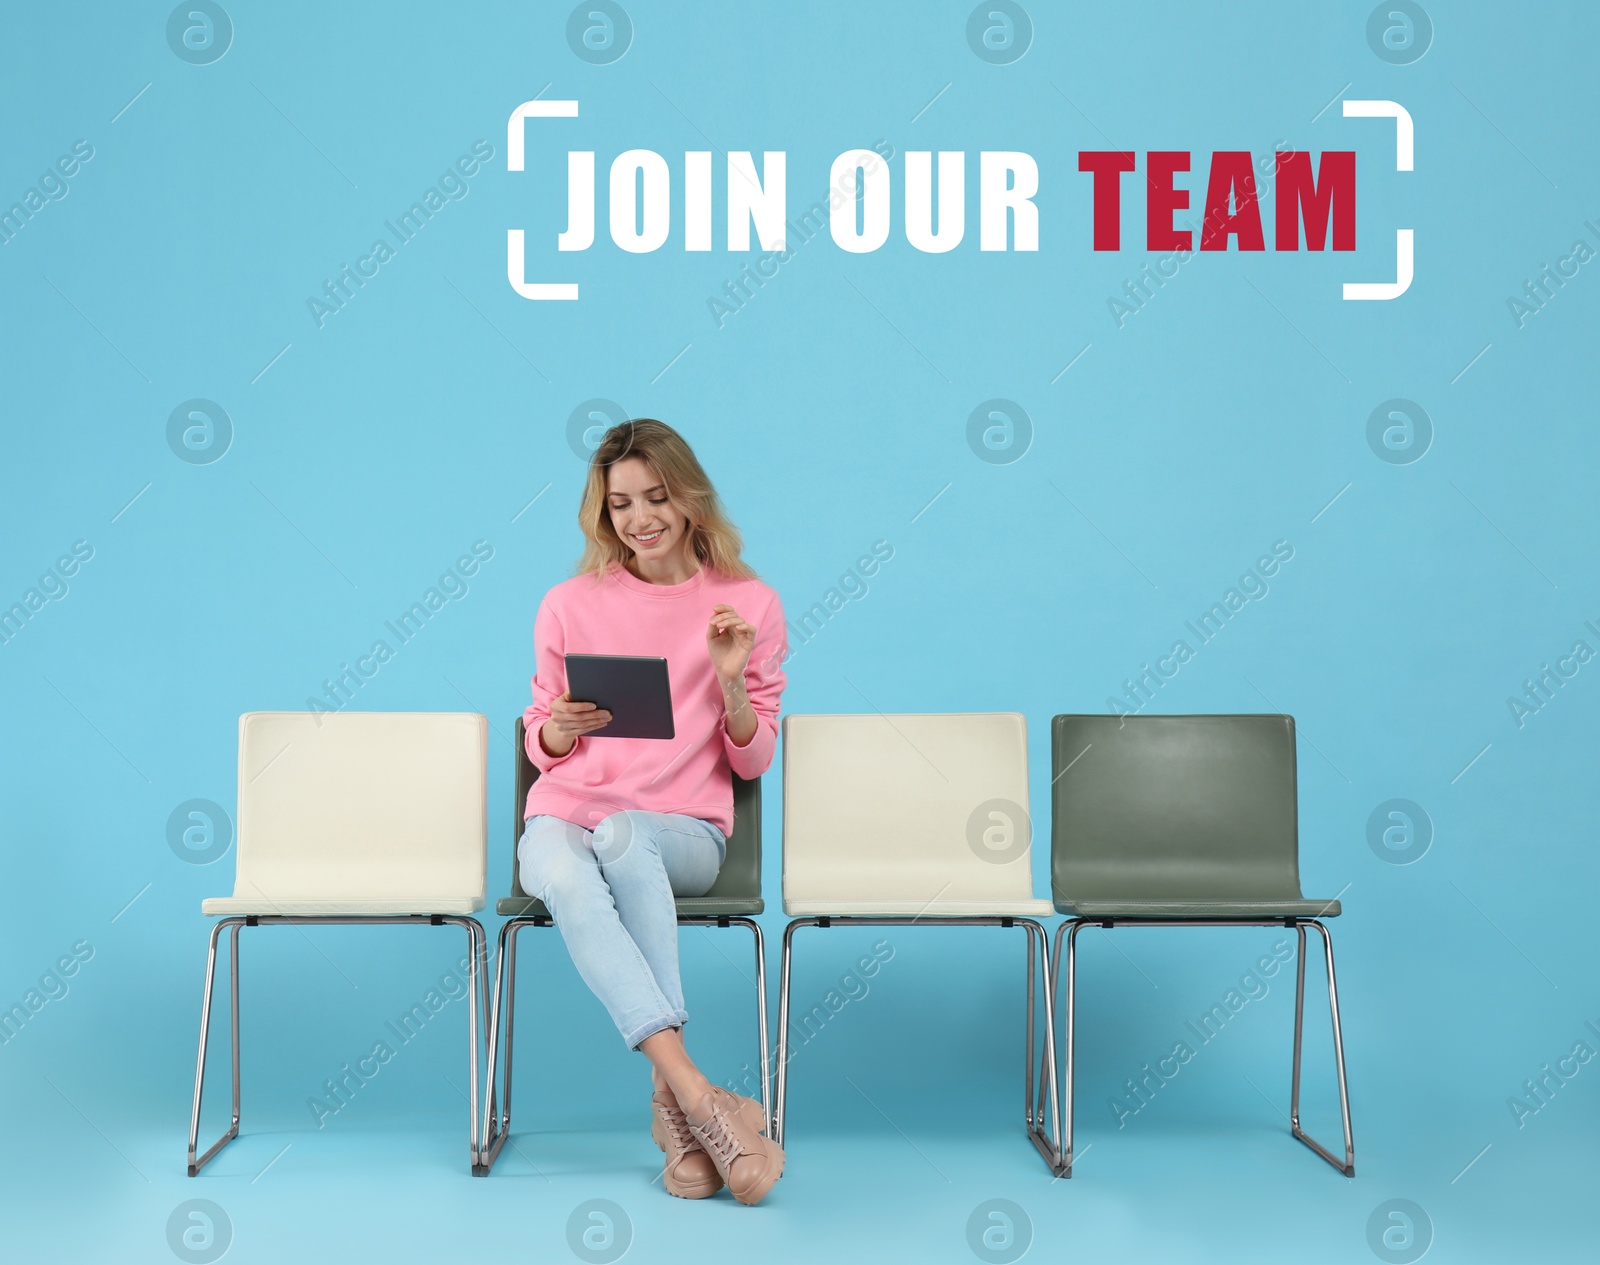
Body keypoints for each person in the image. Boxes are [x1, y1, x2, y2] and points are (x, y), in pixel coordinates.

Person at [519, 418, 788, 1205]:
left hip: (682, 829)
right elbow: (541, 738)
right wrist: (556, 729)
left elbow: (752, 757)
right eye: (621, 503)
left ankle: (680, 1106)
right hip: (567, 813)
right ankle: (696, 1101)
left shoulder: (748, 603)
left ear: (689, 498)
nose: (640, 518)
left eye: (656, 497)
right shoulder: (567, 604)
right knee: (566, 872)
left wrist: (732, 679)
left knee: (623, 833)